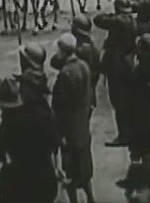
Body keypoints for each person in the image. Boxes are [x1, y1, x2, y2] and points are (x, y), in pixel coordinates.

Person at [0, 76, 60, 203]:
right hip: (46, 179)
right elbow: (54, 141)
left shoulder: (9, 124)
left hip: (21, 186)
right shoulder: (41, 115)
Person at [51, 33, 96, 203]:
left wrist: (58, 132)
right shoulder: (84, 66)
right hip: (82, 125)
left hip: (69, 129)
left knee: (70, 173)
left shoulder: (65, 74)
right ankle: (91, 198)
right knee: (84, 168)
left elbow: (59, 105)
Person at [94, 0, 137, 147]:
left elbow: (98, 19)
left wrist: (112, 13)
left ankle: (124, 134)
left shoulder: (118, 21)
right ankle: (129, 131)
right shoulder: (131, 19)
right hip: (127, 62)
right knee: (126, 101)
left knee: (119, 100)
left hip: (117, 64)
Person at [127, 33, 150, 164]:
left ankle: (138, 156)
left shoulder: (141, 65)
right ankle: (148, 156)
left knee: (139, 131)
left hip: (140, 105)